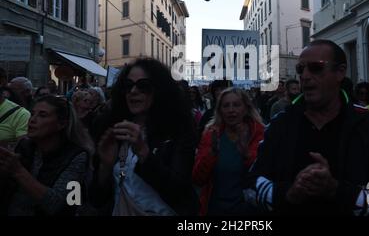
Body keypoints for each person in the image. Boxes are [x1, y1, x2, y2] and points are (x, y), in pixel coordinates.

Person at [246, 40, 369, 215]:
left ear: (340, 72)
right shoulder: (281, 124)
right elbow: (251, 184)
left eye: (316, 67)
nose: (304, 76)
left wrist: (337, 191)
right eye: (300, 69)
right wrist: (288, 193)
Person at [90, 58, 198, 216]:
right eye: (128, 86)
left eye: (143, 86)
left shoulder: (179, 130)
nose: (133, 91)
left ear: (159, 90)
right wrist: (105, 167)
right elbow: (97, 199)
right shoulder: (115, 130)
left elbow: (179, 191)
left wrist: (144, 154)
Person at [0, 95, 92, 216]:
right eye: (33, 114)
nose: (32, 120)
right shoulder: (25, 146)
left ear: (61, 124)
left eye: (42, 115)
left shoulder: (77, 156)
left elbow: (58, 204)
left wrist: (18, 171)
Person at [192, 88, 264, 215]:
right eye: (226, 106)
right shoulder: (211, 135)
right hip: (215, 209)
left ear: (246, 108)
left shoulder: (259, 134)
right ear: (220, 110)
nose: (231, 110)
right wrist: (212, 154)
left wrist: (246, 154)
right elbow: (198, 178)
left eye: (236, 105)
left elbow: (264, 174)